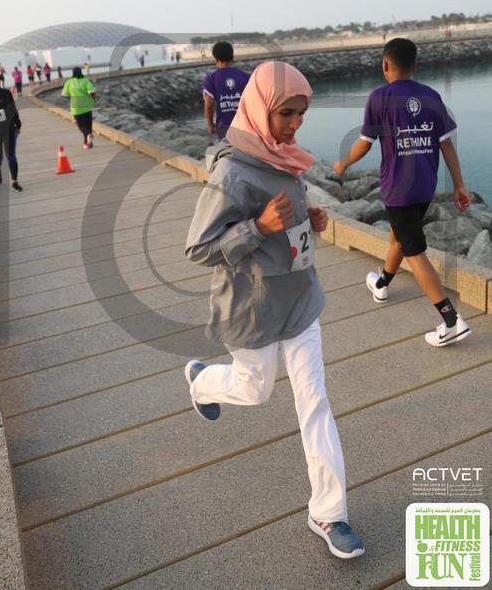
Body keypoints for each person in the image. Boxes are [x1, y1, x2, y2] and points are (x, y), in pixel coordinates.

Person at [184, 60, 364, 560]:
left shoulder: (283, 155)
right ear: (261, 108)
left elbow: (287, 217)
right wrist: (258, 227)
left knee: (315, 402)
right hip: (254, 308)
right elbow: (198, 249)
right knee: (255, 389)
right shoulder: (232, 171)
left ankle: (329, 512)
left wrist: (309, 219)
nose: (294, 124)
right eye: (286, 113)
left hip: (300, 299)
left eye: (301, 114)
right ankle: (201, 381)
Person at [333, 37, 472, 348]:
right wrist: (459, 184)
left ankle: (451, 320)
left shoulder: (379, 97)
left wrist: (343, 163)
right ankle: (382, 283)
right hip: (425, 186)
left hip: (399, 189)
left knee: (414, 251)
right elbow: (446, 144)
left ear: (385, 65)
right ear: (416, 64)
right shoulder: (432, 96)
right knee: (399, 235)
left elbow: (364, 144)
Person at [202, 41, 250, 140]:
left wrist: (211, 125)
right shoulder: (245, 76)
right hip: (244, 125)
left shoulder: (211, 78)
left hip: (224, 126)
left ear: (216, 59)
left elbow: (209, 104)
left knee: (227, 149)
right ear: (232, 57)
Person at [62, 66, 96, 149]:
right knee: (88, 125)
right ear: (81, 72)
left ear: (73, 73)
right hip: (87, 105)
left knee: (81, 126)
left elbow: (64, 94)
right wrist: (93, 99)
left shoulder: (69, 82)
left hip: (76, 107)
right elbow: (91, 92)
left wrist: (72, 96)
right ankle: (88, 143)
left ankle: (88, 137)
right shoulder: (86, 80)